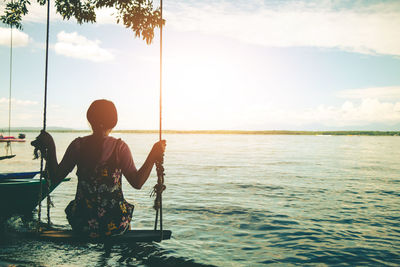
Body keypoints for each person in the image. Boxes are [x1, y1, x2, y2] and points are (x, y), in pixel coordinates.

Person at [32, 99, 166, 238]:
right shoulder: (119, 148)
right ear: (113, 122)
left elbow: (55, 177)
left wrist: (51, 145)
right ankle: (120, 255)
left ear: (90, 119)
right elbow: (137, 183)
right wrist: (153, 155)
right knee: (123, 215)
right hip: (115, 223)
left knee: (79, 209)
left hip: (82, 222)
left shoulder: (78, 146)